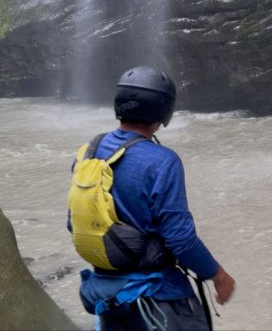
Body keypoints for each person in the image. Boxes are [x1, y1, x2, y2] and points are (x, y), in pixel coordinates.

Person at [67, 66, 235, 331]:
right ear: (163, 109)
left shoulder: (89, 152)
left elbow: (74, 221)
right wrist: (218, 274)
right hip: (157, 295)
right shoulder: (162, 161)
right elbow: (180, 239)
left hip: (105, 293)